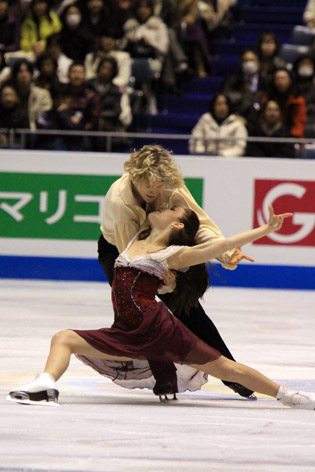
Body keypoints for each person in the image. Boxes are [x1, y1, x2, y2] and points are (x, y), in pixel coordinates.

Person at [8, 204, 315, 411]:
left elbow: (222, 244)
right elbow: (133, 193)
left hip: (156, 327)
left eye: (170, 209)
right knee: (64, 338)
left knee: (225, 367)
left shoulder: (174, 254)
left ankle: (289, 397)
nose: (162, 208)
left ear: (178, 224)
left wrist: (266, 229)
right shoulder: (136, 235)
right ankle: (46, 386)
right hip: (126, 329)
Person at [97, 144, 255, 399]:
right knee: (142, 318)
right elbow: (132, 255)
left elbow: (199, 223)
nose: (153, 189)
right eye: (147, 181)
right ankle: (163, 377)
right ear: (133, 174)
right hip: (120, 253)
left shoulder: (169, 184)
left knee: (189, 310)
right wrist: (160, 280)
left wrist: (225, 253)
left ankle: (232, 374)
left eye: (158, 183)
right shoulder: (120, 202)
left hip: (163, 245)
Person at [260, 68, 307, 138]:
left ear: (290, 80)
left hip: (291, 137)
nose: (280, 81)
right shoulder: (266, 100)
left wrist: (290, 138)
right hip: (269, 135)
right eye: (277, 78)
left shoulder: (297, 101)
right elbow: (262, 120)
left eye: (283, 78)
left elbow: (299, 124)